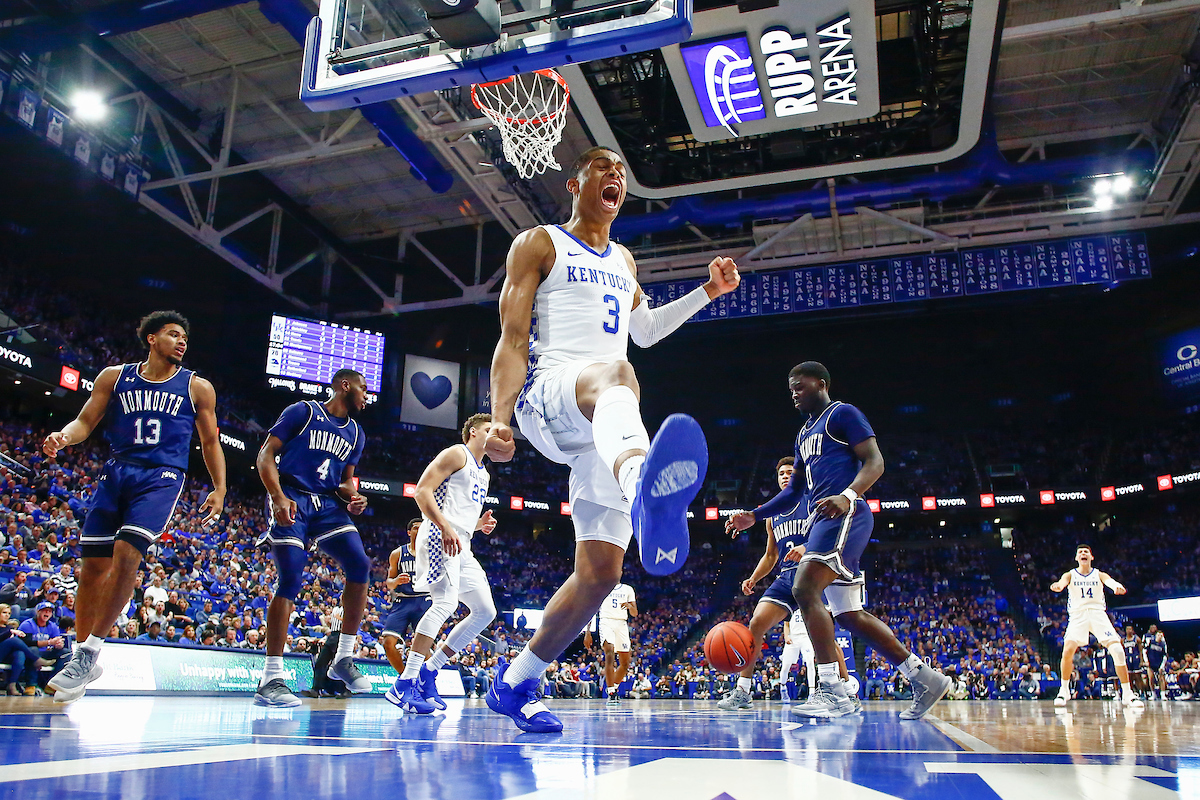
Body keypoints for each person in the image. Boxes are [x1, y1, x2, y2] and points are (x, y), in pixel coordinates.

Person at [483, 146, 741, 733]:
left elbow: (645, 331)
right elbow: (512, 338)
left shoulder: (624, 259)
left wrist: (707, 292)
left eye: (622, 171)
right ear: (575, 184)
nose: (615, 175)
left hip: (603, 421)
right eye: (603, 166)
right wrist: (498, 417)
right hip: (550, 394)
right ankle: (641, 481)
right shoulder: (540, 243)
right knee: (619, 373)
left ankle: (517, 681)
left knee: (601, 574)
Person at [727, 362, 950, 720]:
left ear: (821, 384)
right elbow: (794, 491)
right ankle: (924, 678)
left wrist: (847, 495)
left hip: (845, 513)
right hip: (824, 519)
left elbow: (875, 462)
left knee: (804, 589)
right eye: (790, 390)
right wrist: (754, 515)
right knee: (849, 615)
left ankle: (832, 690)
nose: (794, 394)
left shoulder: (842, 414)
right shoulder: (803, 434)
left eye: (799, 386)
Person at [43, 311, 226, 703]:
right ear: (151, 339)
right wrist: (63, 436)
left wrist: (219, 488)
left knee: (127, 553)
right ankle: (82, 657)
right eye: (173, 334)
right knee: (93, 568)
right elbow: (85, 421)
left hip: (162, 475)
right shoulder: (114, 377)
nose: (182, 341)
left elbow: (210, 442)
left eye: (185, 337)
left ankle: (91, 650)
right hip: (117, 470)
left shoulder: (197, 387)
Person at [253, 370, 372, 707]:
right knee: (291, 577)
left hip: (327, 504)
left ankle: (343, 657)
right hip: (291, 495)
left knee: (360, 564)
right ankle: (270, 679)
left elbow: (345, 481)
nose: (366, 396)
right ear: (345, 386)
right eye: (363, 388)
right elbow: (265, 455)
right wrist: (277, 496)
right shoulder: (303, 412)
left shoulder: (356, 433)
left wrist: (354, 496)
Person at [387, 414, 499, 714]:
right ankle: (405, 681)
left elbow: (458, 511)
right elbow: (422, 491)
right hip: (439, 534)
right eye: (488, 429)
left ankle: (429, 670)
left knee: (485, 611)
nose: (493, 434)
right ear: (473, 432)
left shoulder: (485, 474)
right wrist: (445, 527)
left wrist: (477, 525)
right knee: (445, 603)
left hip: (462, 540)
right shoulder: (456, 453)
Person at [1050, 545, 1143, 708]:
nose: (1083, 553)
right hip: (1078, 615)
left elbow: (1110, 581)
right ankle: (1064, 691)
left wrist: (1116, 586)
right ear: (1076, 558)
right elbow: (1062, 582)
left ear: (1091, 557)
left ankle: (1128, 694)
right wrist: (1058, 586)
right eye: (1080, 552)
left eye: (1086, 552)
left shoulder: (1099, 574)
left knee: (1117, 650)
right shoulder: (1070, 574)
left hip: (1098, 613)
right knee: (1068, 650)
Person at [380, 519, 432, 682]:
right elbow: (389, 583)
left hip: (424, 600)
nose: (420, 530)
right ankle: (405, 679)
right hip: (403, 601)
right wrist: (396, 581)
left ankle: (428, 681)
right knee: (388, 643)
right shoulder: (398, 553)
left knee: (423, 647)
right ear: (409, 532)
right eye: (416, 528)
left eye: (423, 528)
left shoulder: (432, 552)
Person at [583, 581, 637, 706]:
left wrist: (630, 606)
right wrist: (587, 632)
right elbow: (591, 611)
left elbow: (635, 613)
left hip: (621, 623)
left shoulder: (628, 589)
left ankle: (614, 688)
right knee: (609, 653)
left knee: (625, 663)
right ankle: (611, 691)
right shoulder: (601, 587)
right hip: (606, 622)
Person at [1122, 625, 1148, 699]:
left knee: (1138, 676)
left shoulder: (1137, 639)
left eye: (1130, 629)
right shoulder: (1123, 640)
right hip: (1128, 659)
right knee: (1129, 677)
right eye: (1127, 629)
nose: (1129, 630)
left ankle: (1142, 692)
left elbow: (1141, 650)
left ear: (1132, 630)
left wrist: (1142, 661)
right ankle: (1132, 693)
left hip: (1136, 659)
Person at [1144, 624, 1169, 699]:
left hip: (1159, 663)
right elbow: (1144, 651)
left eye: (1161, 635)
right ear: (1155, 636)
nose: (1159, 636)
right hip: (1151, 662)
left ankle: (1163, 694)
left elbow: (1165, 656)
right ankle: (1153, 694)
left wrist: (1162, 666)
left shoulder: (1163, 644)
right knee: (1151, 678)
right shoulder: (1150, 642)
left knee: (1161, 678)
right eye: (1158, 635)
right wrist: (1146, 661)